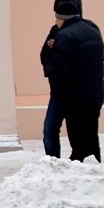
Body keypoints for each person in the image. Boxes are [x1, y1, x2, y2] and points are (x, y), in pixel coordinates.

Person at [44, 0, 104, 162]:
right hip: (94, 93)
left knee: (75, 135)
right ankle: (93, 164)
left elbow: (60, 69)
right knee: (90, 134)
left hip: (71, 96)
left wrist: (54, 48)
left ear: (60, 17)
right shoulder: (92, 29)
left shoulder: (64, 35)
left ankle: (64, 166)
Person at [38, 13, 65, 158]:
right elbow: (44, 55)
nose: (56, 20)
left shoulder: (83, 30)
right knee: (49, 129)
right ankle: (53, 162)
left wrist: (58, 45)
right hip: (57, 91)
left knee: (78, 133)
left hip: (76, 92)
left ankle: (80, 165)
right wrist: (51, 73)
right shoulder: (55, 29)